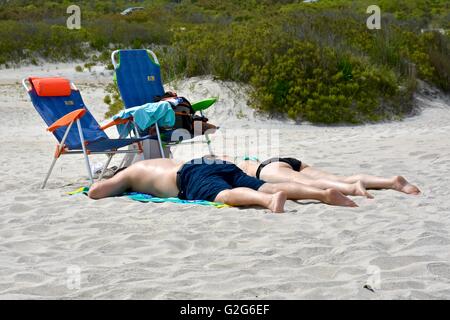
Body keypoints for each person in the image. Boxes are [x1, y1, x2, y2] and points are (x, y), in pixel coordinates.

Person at [88, 157, 358, 213]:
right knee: (262, 184)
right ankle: (322, 194)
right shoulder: (155, 159)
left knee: (225, 194)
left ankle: (268, 203)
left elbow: (95, 192)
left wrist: (114, 181)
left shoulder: (130, 173)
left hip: (188, 177)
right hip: (208, 162)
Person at [235, 157, 420, 196]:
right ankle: (391, 182)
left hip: (267, 170)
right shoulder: (245, 157)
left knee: (315, 184)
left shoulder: (227, 162)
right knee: (339, 177)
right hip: (283, 159)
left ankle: (354, 190)